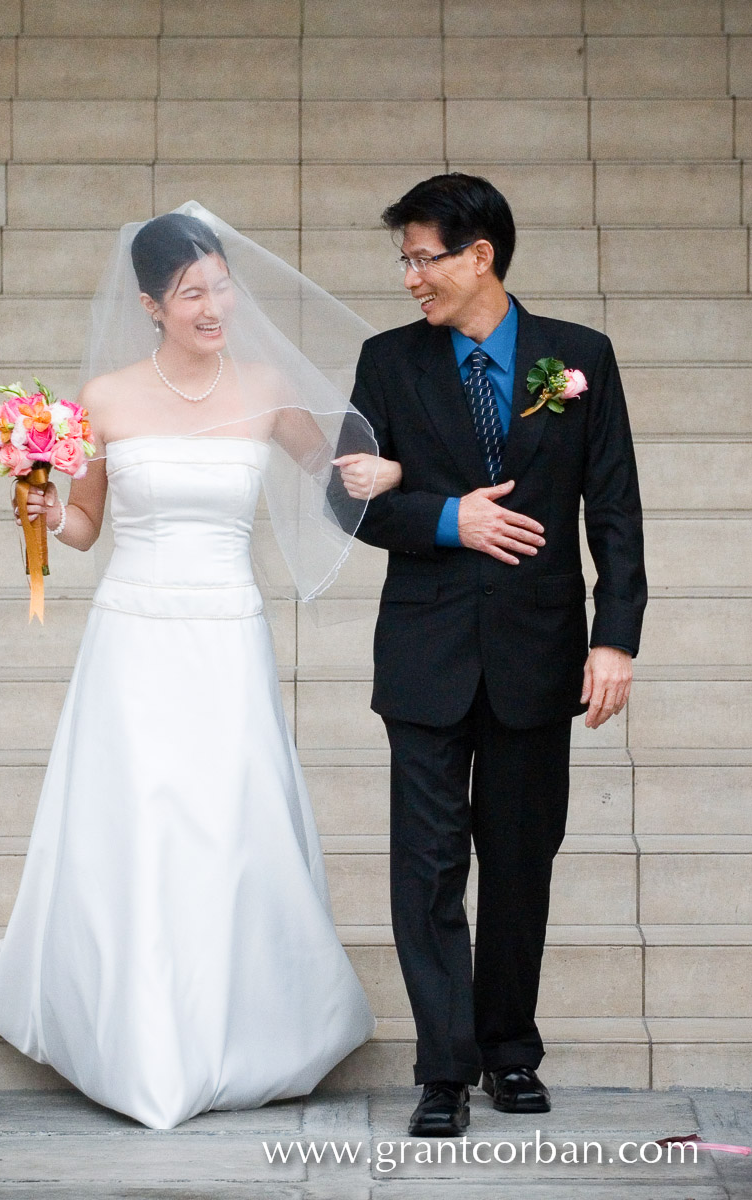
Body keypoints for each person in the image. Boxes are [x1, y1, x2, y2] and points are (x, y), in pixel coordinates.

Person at [0, 207, 403, 1130]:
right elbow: (85, 529)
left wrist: (380, 476)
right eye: (191, 293)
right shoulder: (109, 396)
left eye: (220, 285)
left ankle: (248, 1024)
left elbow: (334, 467)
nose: (214, 305)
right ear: (151, 305)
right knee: (144, 817)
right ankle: (134, 1034)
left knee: (226, 816)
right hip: (134, 632)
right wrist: (40, 506)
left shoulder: (267, 382)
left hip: (225, 630)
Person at [336, 174, 647, 1137]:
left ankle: (510, 1052)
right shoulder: (386, 361)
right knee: (426, 868)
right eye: (404, 260)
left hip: (536, 652)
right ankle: (443, 1068)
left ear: (481, 255)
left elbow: (616, 510)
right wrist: (443, 516)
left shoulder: (576, 358)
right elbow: (343, 499)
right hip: (426, 652)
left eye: (422, 257)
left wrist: (614, 639)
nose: (409, 278)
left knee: (519, 861)